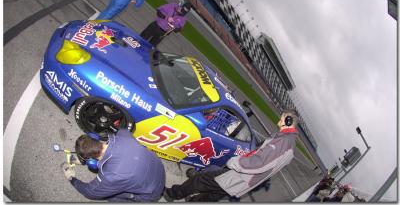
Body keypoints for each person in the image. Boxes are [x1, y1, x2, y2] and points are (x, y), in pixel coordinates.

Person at [163, 109, 299, 202]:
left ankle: (171, 194)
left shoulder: (283, 142)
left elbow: (260, 162)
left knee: (200, 180)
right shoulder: (289, 143)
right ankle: (194, 201)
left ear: (287, 121)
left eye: (281, 117)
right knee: (215, 194)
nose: (278, 119)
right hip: (247, 180)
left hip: (241, 175)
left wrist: (236, 163)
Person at [61, 129, 165, 202]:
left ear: (91, 160)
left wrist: (72, 179)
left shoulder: (110, 176)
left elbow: (90, 192)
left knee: (112, 196)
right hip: (159, 168)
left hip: (152, 192)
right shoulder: (123, 134)